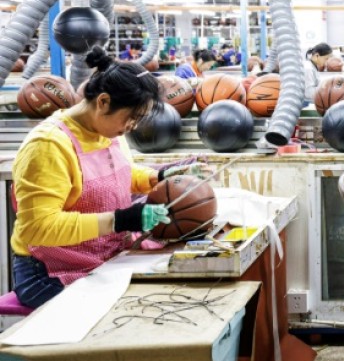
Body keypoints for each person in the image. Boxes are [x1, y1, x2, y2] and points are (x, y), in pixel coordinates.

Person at [10, 47, 207, 308]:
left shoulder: (105, 132)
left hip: (101, 255)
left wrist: (159, 176)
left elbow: (119, 175)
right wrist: (122, 220)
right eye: (132, 117)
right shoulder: (48, 146)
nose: (133, 126)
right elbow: (40, 227)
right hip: (48, 273)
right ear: (103, 102)